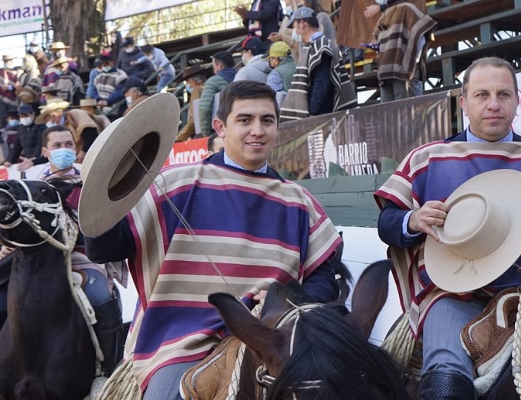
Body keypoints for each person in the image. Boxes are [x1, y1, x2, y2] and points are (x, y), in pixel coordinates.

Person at [84, 80, 343, 399]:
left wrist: (287, 295)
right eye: (245, 120)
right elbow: (105, 248)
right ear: (220, 127)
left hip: (275, 339)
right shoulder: (176, 183)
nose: (257, 130)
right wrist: (101, 195)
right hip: (180, 342)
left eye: (267, 120)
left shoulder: (300, 201)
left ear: (278, 126)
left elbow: (325, 280)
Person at [374, 57, 521, 400]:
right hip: (453, 296)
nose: (493, 105)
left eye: (503, 95)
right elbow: (387, 223)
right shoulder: (428, 158)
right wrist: (411, 220)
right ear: (464, 102)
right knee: (445, 385)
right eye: (482, 94)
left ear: (517, 101)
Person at [0, 126, 124, 400]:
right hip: (27, 259)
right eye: (57, 144)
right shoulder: (27, 183)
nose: (63, 149)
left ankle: (105, 374)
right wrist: (8, 241)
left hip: (80, 257)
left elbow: (104, 223)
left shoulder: (89, 182)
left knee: (102, 299)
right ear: (45, 151)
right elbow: (11, 223)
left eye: (68, 143)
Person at [280, 7, 357, 120]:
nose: (294, 32)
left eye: (295, 27)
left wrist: (313, 112)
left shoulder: (320, 45)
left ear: (302, 24)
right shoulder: (318, 44)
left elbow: (321, 82)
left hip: (323, 113)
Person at [372, 0, 436, 102]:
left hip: (403, 72)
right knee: (392, 113)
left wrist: (411, 61)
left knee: (406, 111)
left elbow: (420, 36)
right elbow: (377, 38)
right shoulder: (386, 14)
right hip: (387, 73)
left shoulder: (407, 9)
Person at [198, 51, 236, 137]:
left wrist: (206, 134)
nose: (213, 69)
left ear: (219, 66)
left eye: (214, 66)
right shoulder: (241, 77)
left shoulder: (213, 81)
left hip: (220, 130)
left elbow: (205, 108)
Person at [4, 104, 45, 169]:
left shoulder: (40, 126)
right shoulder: (21, 128)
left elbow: (41, 143)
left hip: (39, 162)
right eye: (21, 116)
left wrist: (35, 157)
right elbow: (17, 146)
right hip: (27, 160)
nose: (23, 118)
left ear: (32, 114)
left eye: (26, 116)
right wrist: (10, 160)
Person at [176, 65, 208, 142]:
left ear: (193, 81)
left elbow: (193, 119)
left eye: (188, 82)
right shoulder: (208, 87)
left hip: (201, 132)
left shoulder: (197, 90)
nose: (188, 85)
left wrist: (179, 138)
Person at [266, 41, 296, 106]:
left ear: (276, 59)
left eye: (270, 58)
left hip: (288, 110)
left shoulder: (275, 74)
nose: (269, 61)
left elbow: (271, 97)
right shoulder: (300, 65)